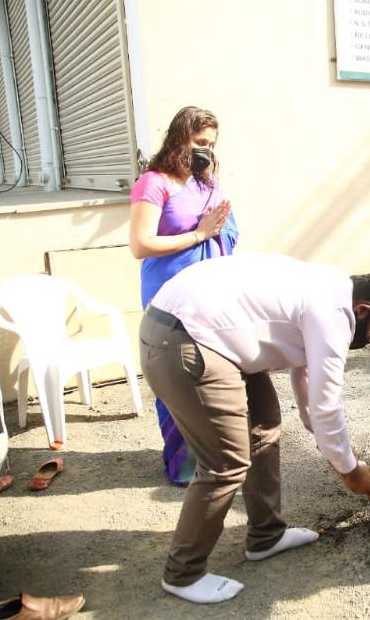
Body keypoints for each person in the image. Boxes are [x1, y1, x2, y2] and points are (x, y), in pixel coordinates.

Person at [139, 253, 370, 604]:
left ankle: (266, 536)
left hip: (200, 330)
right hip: (185, 337)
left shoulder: (330, 288)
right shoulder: (333, 314)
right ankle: (183, 573)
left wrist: (336, 451)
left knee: (263, 425)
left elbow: (309, 383)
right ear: (363, 309)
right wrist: (349, 469)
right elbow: (326, 406)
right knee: (226, 462)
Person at [129, 106, 237, 486]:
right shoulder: (153, 183)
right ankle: (183, 463)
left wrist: (218, 230)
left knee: (210, 373)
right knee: (175, 377)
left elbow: (227, 230)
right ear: (180, 139)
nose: (206, 150)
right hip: (167, 296)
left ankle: (215, 455)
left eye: (211, 144)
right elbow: (140, 244)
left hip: (207, 294)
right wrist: (198, 235)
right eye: (199, 142)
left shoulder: (207, 184)